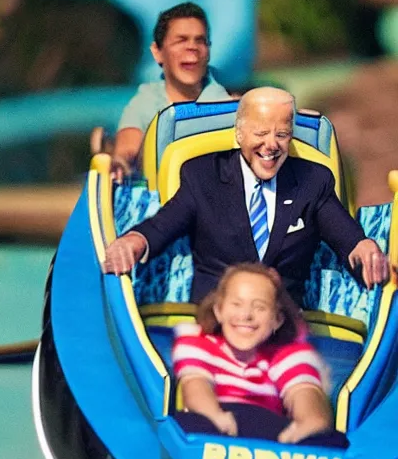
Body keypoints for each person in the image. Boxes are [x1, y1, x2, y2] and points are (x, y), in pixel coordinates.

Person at [103, 87, 389, 307]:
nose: (271, 145)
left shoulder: (312, 181)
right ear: (239, 134)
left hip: (282, 325)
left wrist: (365, 249)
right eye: (261, 133)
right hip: (216, 321)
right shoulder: (202, 176)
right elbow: (163, 225)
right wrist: (133, 241)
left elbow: (347, 236)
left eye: (282, 135)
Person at [172, 263, 347, 446]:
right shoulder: (199, 343)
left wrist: (306, 427)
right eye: (236, 304)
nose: (246, 315)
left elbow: (306, 396)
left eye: (260, 308)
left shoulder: (286, 355)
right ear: (219, 310)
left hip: (271, 437)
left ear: (277, 320)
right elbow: (196, 387)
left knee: (329, 440)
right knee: (187, 425)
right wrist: (214, 416)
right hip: (215, 427)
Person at [111, 2, 231, 180]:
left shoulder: (225, 103)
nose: (192, 47)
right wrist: (120, 161)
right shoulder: (146, 101)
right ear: (157, 52)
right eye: (181, 40)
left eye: (200, 40)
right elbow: (128, 148)